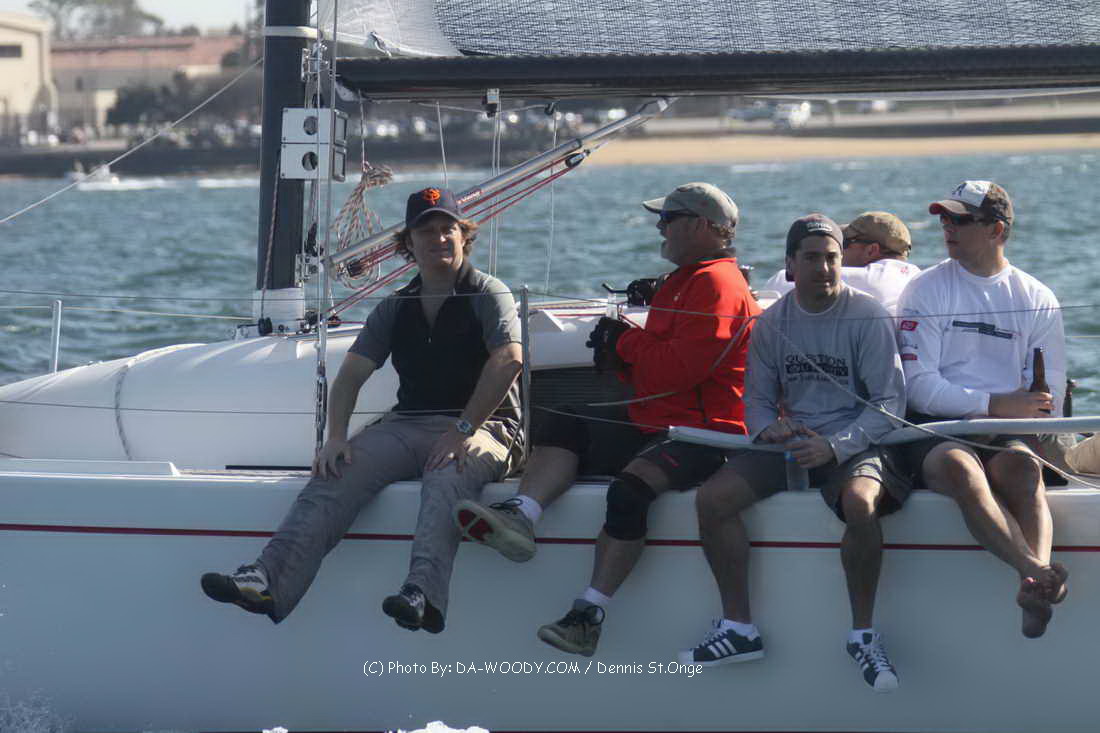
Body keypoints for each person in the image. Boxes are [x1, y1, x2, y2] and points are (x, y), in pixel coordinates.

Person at [454, 182, 760, 657]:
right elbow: (665, 364)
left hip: (707, 433)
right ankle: (522, 516)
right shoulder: (686, 280)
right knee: (564, 422)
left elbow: (681, 370)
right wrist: (623, 352)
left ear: (701, 226)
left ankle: (588, 614)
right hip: (663, 420)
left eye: (668, 219)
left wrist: (623, 342)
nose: (660, 228)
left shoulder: (717, 285)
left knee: (628, 493)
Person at [200, 187, 523, 634]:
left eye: (447, 228)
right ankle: (267, 579)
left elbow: (508, 359)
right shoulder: (396, 306)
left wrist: (463, 429)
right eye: (425, 231)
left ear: (464, 236)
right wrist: (335, 438)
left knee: (446, 475)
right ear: (408, 244)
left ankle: (423, 595)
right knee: (336, 470)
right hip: (410, 424)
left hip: (486, 428)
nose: (438, 238)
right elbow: (351, 375)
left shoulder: (487, 293)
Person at [688, 214, 909, 692]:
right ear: (790, 265)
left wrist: (835, 446)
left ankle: (863, 636)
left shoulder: (868, 316)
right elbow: (756, 401)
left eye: (832, 258)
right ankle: (738, 628)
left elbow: (890, 406)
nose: (823, 268)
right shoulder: (771, 323)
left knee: (861, 504)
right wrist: (770, 429)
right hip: (792, 444)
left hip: (853, 441)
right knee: (712, 499)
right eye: (811, 258)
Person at [896, 180, 1067, 639]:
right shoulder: (924, 290)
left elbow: (1048, 397)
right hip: (937, 427)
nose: (947, 228)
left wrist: (1018, 409)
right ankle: (1037, 574)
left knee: (1023, 471)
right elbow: (918, 388)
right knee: (961, 469)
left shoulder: (1036, 297)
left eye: (960, 220)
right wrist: (993, 403)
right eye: (944, 219)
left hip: (1006, 426)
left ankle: (1033, 587)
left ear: (996, 230)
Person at [760, 211, 919, 315]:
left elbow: (780, 282)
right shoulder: (916, 275)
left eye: (845, 243)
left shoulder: (871, 278)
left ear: (871, 250)